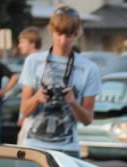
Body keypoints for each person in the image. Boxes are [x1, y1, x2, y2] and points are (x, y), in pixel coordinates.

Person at [19, 5, 101, 156]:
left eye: (69, 35)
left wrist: (73, 102)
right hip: (33, 147)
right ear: (51, 30)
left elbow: (88, 119)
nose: (63, 41)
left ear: (77, 34)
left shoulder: (89, 68)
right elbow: (24, 110)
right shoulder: (33, 61)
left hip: (68, 149)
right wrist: (37, 97)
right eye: (59, 34)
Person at [16, 27, 43, 144]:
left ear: (32, 44)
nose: (19, 45)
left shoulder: (31, 60)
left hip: (32, 115)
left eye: (22, 42)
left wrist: (21, 116)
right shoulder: (45, 59)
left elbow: (26, 93)